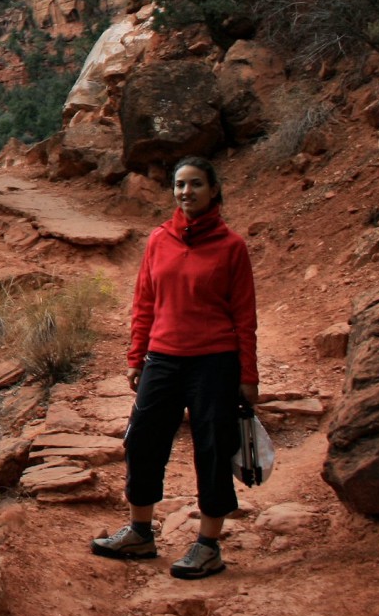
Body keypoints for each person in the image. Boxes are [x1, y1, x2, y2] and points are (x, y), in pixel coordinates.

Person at [91, 156, 259, 579]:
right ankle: (140, 533)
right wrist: (136, 356)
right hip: (162, 359)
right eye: (180, 185)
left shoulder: (232, 246)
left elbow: (245, 316)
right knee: (144, 441)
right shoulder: (158, 240)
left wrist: (248, 376)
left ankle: (208, 545)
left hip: (214, 363)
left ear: (214, 190)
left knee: (214, 450)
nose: (186, 192)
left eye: (196, 184)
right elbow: (144, 302)